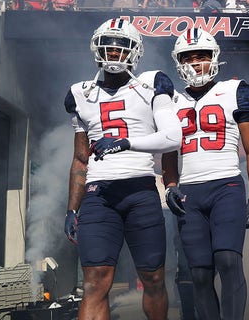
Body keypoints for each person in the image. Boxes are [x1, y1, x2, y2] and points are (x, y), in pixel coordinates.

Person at [63, 18, 182, 320]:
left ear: (135, 52)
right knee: (94, 283)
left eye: (121, 48)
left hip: (141, 190)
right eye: (109, 48)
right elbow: (80, 159)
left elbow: (172, 137)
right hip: (98, 194)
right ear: (97, 49)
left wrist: (126, 143)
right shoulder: (81, 93)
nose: (114, 54)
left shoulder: (152, 85)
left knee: (153, 279)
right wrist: (72, 209)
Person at [161, 27, 249, 320]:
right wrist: (170, 185)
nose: (195, 63)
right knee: (200, 274)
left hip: (226, 186)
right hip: (189, 193)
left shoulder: (236, 90)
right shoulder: (170, 99)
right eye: (188, 57)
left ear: (214, 57)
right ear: (178, 62)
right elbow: (169, 150)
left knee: (229, 261)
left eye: (202, 56)